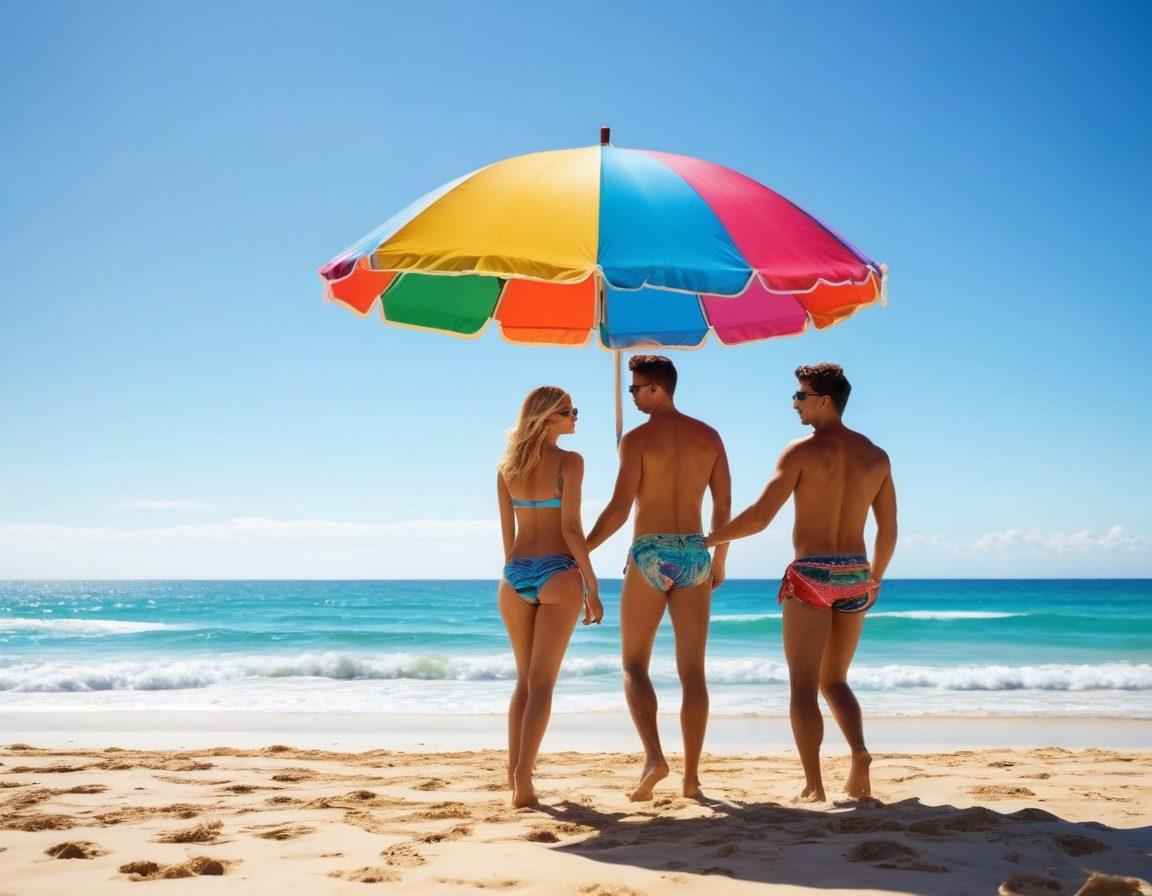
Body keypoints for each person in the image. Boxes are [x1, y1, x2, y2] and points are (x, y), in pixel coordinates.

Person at [705, 363, 897, 801]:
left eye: (800, 395)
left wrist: (711, 538)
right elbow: (889, 527)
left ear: (824, 400)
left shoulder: (800, 452)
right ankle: (859, 752)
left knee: (803, 686)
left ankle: (813, 784)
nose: (794, 403)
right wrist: (876, 577)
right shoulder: (876, 456)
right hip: (855, 574)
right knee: (836, 680)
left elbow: (759, 516)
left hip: (811, 572)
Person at [587, 355, 731, 801]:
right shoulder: (709, 436)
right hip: (694, 551)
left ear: (656, 389)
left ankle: (654, 757)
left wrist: (581, 548)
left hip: (650, 551)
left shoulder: (637, 440)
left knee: (633, 663)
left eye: (635, 389)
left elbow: (618, 510)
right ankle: (692, 779)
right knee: (693, 673)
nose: (631, 396)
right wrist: (719, 559)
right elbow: (724, 507)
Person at [497, 386, 604, 808]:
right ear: (546, 418)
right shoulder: (570, 462)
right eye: (568, 411)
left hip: (514, 575)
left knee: (524, 682)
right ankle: (524, 779)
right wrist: (591, 586)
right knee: (542, 684)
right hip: (558, 572)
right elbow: (572, 530)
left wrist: (516, 576)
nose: (575, 416)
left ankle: (513, 776)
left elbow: (508, 539)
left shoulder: (506, 468)